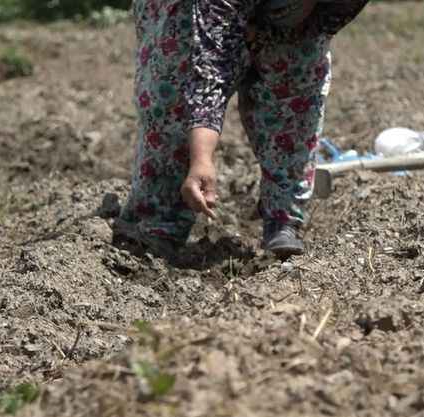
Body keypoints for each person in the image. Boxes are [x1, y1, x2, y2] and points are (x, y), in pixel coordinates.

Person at [113, 0, 367, 258]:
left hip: (291, 16)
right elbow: (210, 69)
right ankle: (157, 221)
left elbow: (323, 24)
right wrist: (201, 159)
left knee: (297, 75)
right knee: (175, 85)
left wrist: (270, 33)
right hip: (191, 9)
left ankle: (283, 216)